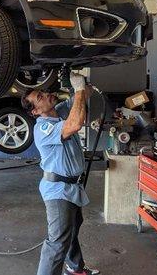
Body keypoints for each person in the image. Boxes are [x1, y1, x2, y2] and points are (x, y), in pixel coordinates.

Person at [21, 71, 99, 275]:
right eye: (40, 97)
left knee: (71, 232)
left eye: (43, 92)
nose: (46, 95)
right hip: (58, 191)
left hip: (72, 187)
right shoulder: (43, 129)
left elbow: (85, 95)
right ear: (35, 112)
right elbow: (76, 123)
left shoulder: (60, 112)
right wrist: (79, 89)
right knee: (56, 243)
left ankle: (75, 268)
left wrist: (78, 80)